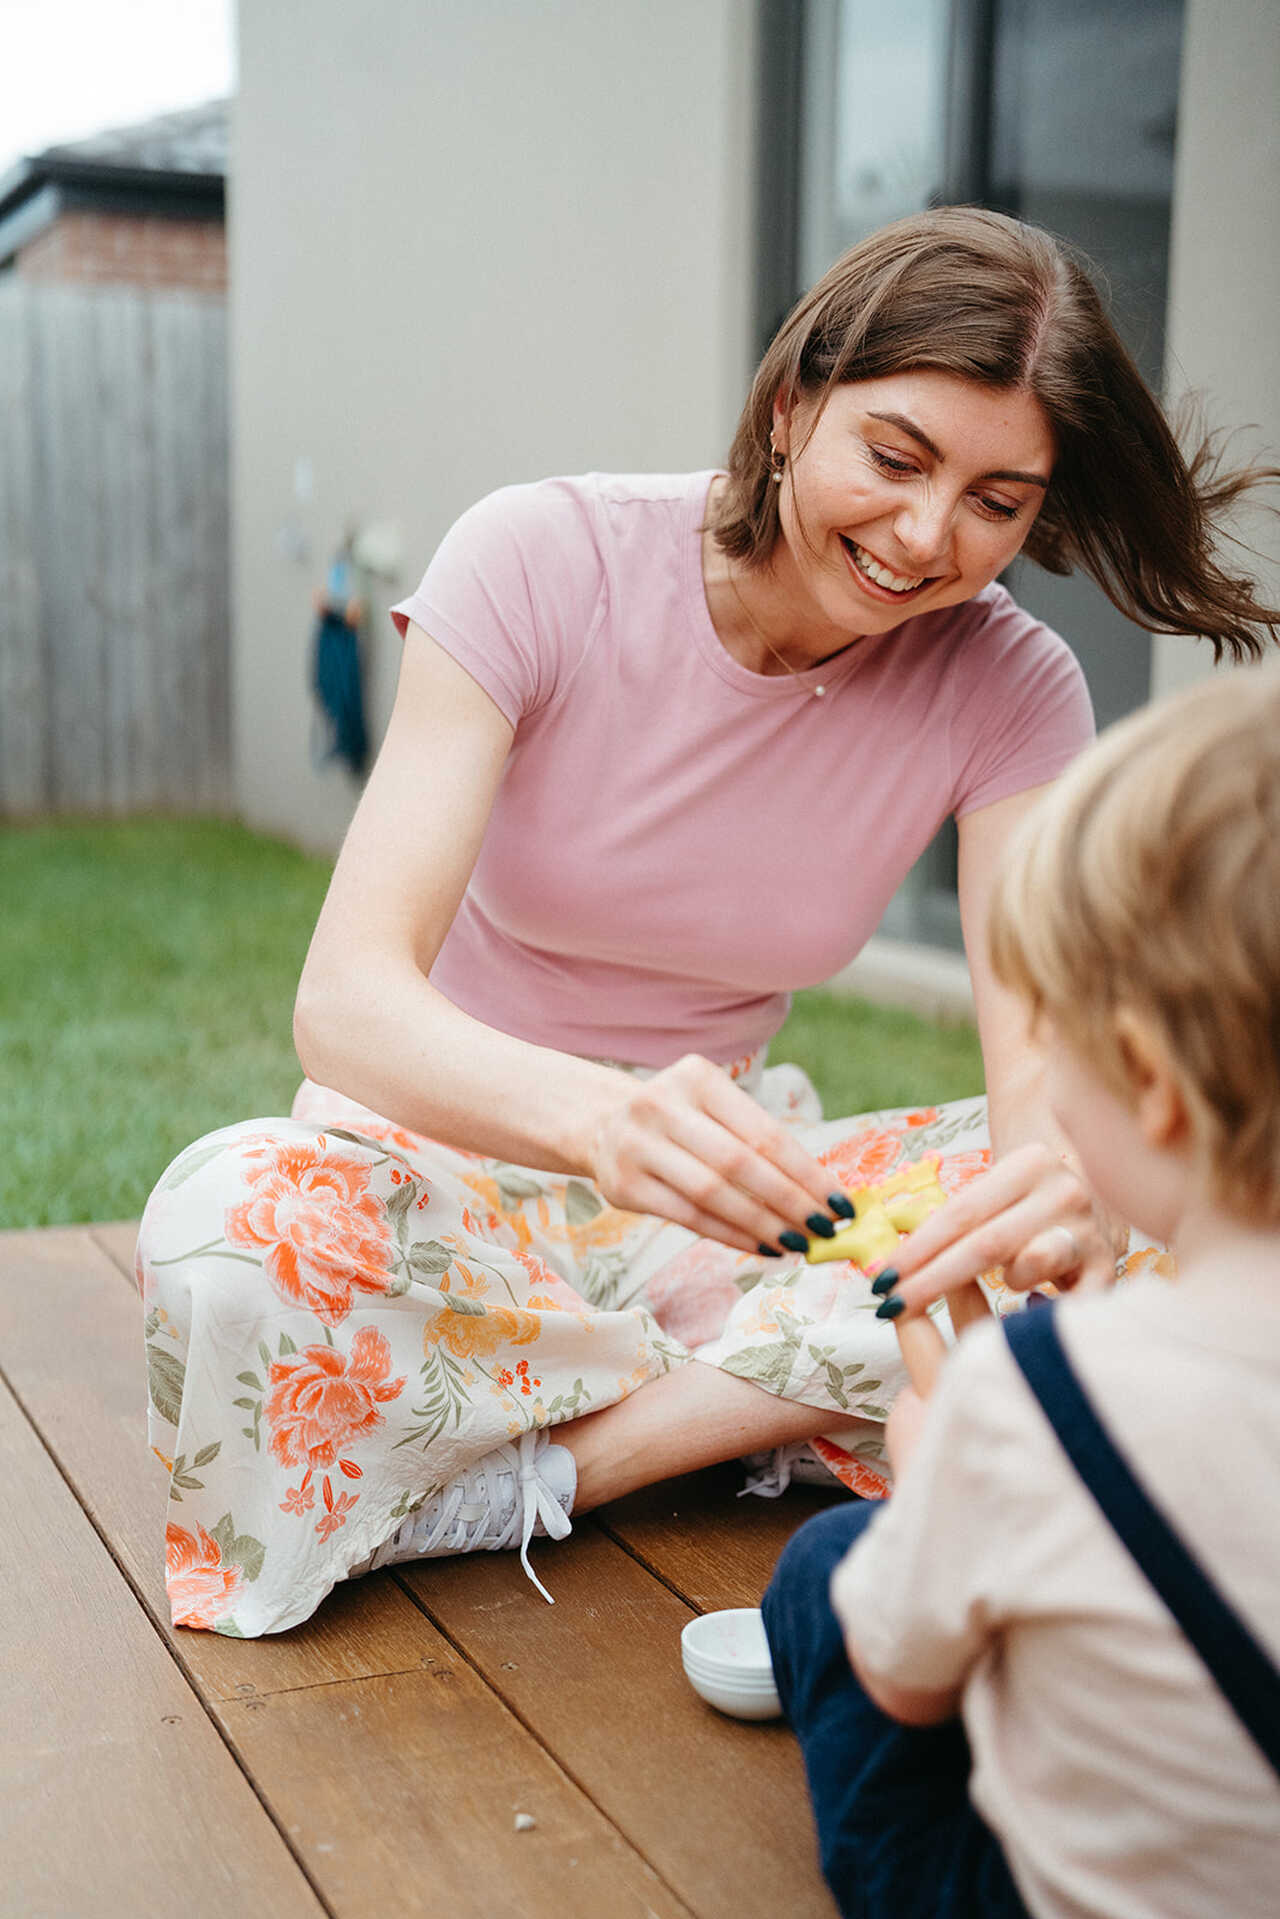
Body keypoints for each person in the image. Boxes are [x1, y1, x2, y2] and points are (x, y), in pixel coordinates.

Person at [137, 207, 1279, 1638]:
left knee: (1188, 1219)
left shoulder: (1011, 687)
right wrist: (603, 1126)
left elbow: (1038, 1085)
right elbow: (347, 1005)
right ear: (794, 402)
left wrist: (1055, 1192)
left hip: (728, 1202)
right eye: (897, 456)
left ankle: (558, 1466)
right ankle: (738, 1408)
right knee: (221, 1224)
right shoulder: (543, 557)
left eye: (998, 500)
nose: (929, 537)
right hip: (443, 1165)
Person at [763, 664, 1280, 1919]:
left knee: (829, 1570)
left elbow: (901, 1675)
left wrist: (940, 1460)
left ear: (1150, 1082)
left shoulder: (1028, 1396)